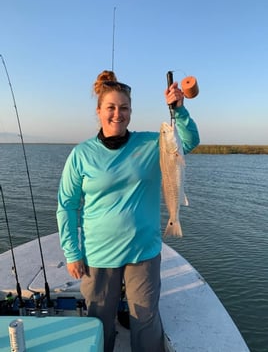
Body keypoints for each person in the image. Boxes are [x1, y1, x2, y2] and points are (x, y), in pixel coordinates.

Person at [56, 70, 200, 352]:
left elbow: (189, 141)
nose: (117, 114)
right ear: (99, 111)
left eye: (124, 108)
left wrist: (180, 111)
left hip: (143, 252)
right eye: (110, 107)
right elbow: (67, 205)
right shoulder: (82, 154)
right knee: (99, 324)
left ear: (131, 112)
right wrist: (72, 252)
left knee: (146, 322)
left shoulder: (150, 143)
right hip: (98, 255)